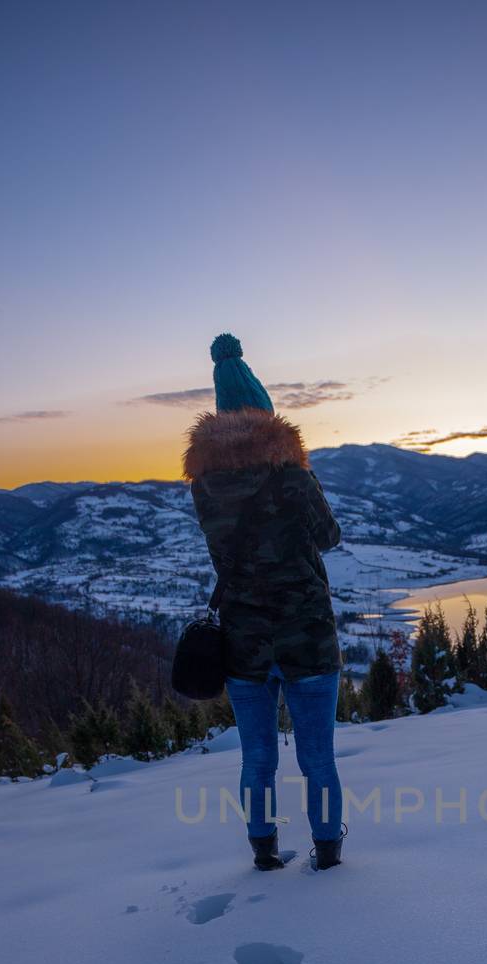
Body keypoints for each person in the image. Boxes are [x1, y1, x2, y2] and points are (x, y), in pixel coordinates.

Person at [183, 333, 346, 871]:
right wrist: (300, 472)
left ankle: (263, 849)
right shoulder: (293, 475)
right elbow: (327, 537)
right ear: (268, 415)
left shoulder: (203, 485)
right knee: (317, 757)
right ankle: (327, 852)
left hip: (244, 640)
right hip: (307, 633)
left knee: (257, 757)